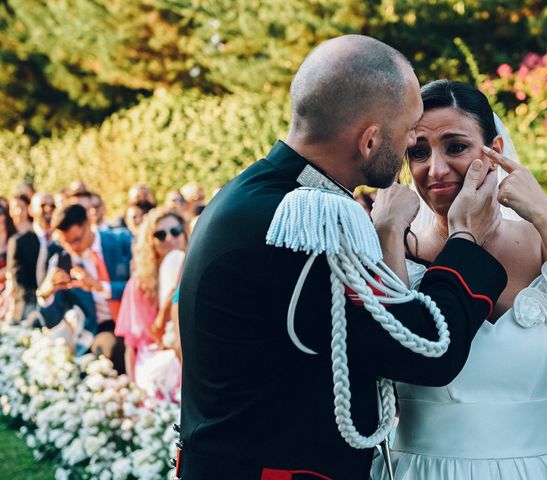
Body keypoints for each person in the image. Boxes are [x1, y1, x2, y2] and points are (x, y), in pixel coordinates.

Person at [177, 36, 509, 479]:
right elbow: (427, 350)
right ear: (371, 140)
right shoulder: (306, 224)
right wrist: (466, 237)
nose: (414, 140)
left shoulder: (254, 193)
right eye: (409, 128)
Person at [370, 80, 547, 480]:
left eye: (455, 147)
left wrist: (545, 214)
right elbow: (391, 371)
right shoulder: (398, 250)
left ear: (493, 149)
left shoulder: (545, 244)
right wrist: (387, 234)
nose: (436, 169)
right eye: (419, 152)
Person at [35, 204, 132, 371]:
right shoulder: (61, 262)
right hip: (101, 327)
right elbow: (51, 321)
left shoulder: (122, 241)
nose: (73, 248)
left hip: (134, 316)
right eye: (65, 243)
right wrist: (45, 293)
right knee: (113, 348)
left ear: (88, 223)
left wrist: (101, 287)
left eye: (76, 239)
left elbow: (141, 286)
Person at [115, 207, 186, 400]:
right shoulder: (139, 285)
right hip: (156, 357)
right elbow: (140, 342)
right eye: (160, 234)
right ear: (151, 242)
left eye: (176, 231)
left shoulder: (198, 269)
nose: (170, 238)